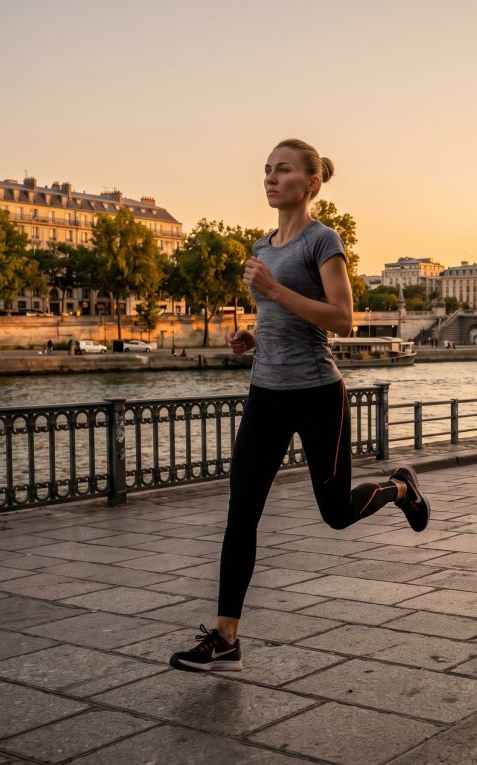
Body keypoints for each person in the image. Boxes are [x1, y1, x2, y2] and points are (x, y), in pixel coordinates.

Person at [170, 138, 430, 673]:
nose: (269, 178)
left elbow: (341, 320)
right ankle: (226, 641)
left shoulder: (323, 241)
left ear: (309, 184)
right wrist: (253, 340)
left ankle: (401, 485)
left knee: (335, 514)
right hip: (266, 392)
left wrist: (274, 290)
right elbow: (281, 327)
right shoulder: (262, 247)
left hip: (316, 394)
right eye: (266, 170)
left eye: (282, 170)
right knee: (241, 512)